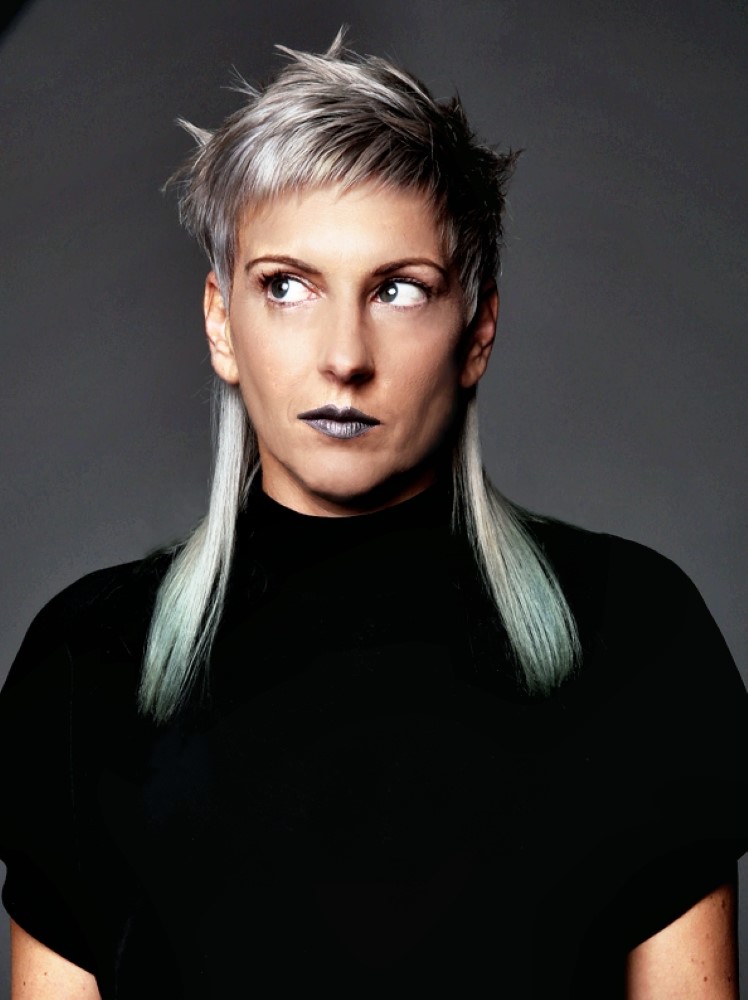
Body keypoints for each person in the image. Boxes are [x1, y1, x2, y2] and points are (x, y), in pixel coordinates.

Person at [1, 32, 746, 1000]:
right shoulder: (86, 663)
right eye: (286, 286)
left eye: (399, 290)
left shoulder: (632, 632)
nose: (344, 355)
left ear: (476, 331)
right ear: (222, 321)